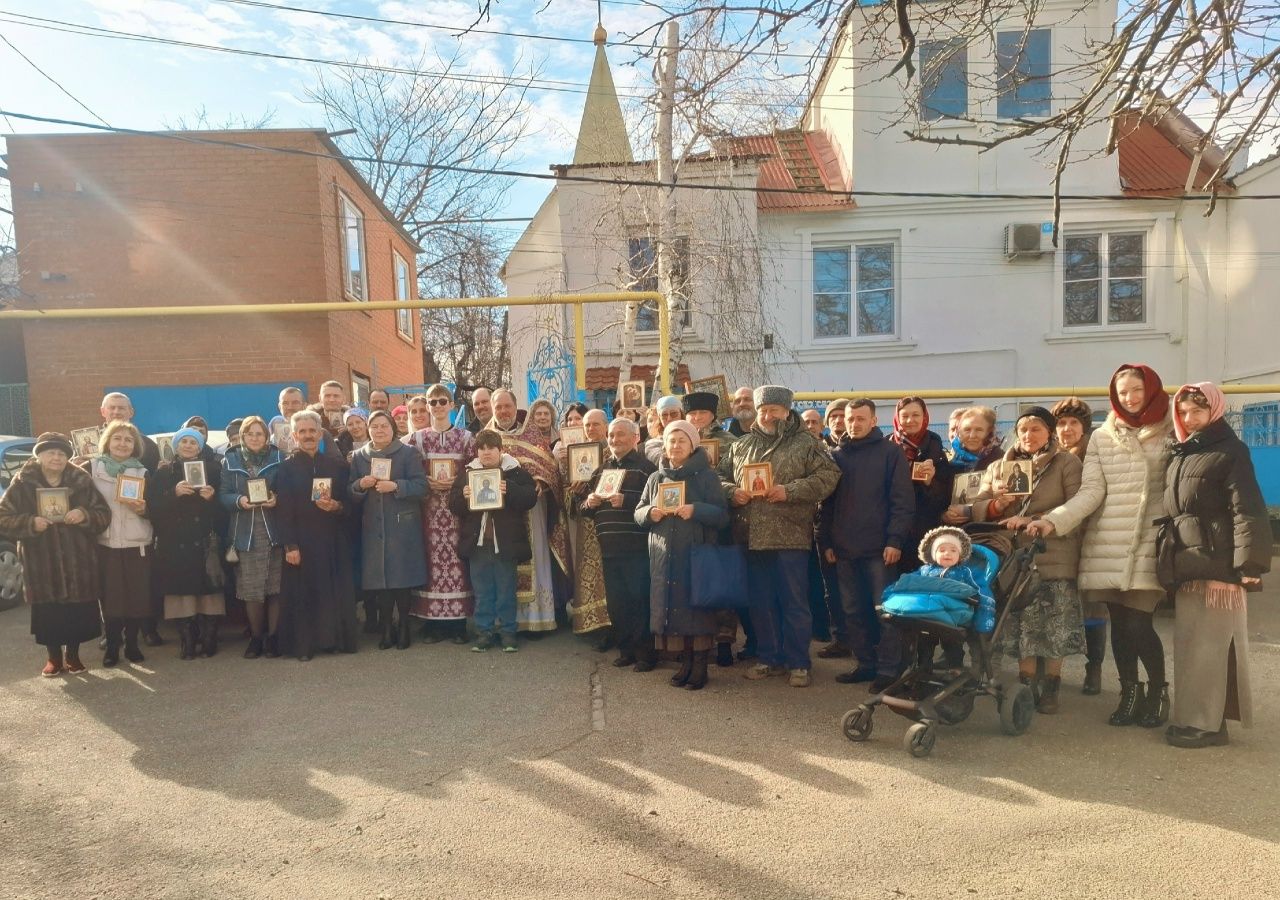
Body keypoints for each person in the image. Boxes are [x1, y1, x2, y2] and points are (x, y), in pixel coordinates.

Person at [1028, 364, 1174, 729]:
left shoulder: (1171, 429)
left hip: (1149, 541)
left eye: (1137, 390)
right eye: (1123, 392)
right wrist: (1055, 520)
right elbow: (1092, 491)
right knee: (1121, 626)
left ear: (1151, 390)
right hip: (1108, 542)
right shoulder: (1103, 436)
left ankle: (1158, 691)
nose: (1130, 397)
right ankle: (1129, 693)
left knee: (1140, 623)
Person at [1160, 383, 1270, 749]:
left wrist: (1249, 564)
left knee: (1210, 647)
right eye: (1183, 412)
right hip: (1189, 562)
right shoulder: (1182, 451)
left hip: (1219, 564)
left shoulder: (1230, 450)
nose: (1189, 418)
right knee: (1190, 646)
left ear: (1215, 410)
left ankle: (1205, 725)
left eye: (1197, 411)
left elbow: (1247, 509)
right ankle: (1200, 720)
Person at [966, 406, 1084, 714]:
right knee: (1023, 624)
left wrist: (1034, 519)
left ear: (1049, 432)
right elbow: (976, 507)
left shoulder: (1066, 463)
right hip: (1014, 559)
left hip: (1053, 554)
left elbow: (1077, 507)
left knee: (1054, 625)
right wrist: (997, 503)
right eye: (1023, 430)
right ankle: (1027, 684)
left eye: (1036, 429)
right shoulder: (1000, 466)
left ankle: (1052, 686)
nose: (1028, 435)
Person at [725, 386, 840, 689]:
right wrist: (732, 492)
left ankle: (799, 663)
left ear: (787, 412)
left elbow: (829, 476)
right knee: (761, 601)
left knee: (794, 602)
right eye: (763, 410)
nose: (767, 415)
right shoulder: (742, 445)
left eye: (774, 410)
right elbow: (720, 476)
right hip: (751, 535)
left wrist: (790, 491)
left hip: (790, 534)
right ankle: (769, 658)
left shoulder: (806, 443)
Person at [821, 398, 915, 692]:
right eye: (850, 419)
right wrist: (827, 541)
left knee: (885, 613)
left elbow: (902, 501)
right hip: (844, 549)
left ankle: (888, 670)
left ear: (874, 421)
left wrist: (895, 540)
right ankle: (865, 664)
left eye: (861, 419)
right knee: (852, 611)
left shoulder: (890, 453)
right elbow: (827, 505)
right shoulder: (836, 455)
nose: (854, 424)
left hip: (880, 550)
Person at [0, 433, 111, 677]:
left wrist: (84, 514)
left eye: (61, 453)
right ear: (39, 455)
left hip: (78, 560)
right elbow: (3, 517)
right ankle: (53, 658)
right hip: (41, 561)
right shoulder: (23, 482)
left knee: (76, 613)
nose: (57, 458)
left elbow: (103, 514)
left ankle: (73, 656)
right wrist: (30, 523)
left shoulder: (81, 480)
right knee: (48, 613)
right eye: (51, 452)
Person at [635, 420, 730, 691]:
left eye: (682, 441)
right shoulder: (655, 478)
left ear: (692, 445)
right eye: (671, 440)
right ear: (664, 445)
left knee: (696, 609)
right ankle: (685, 663)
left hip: (695, 555)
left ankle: (700, 666)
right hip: (664, 556)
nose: (676, 446)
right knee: (674, 610)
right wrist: (649, 513)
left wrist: (696, 509)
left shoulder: (707, 477)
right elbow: (638, 512)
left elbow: (722, 516)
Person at [275, 410, 358, 661]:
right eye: (302, 431)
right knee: (303, 595)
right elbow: (283, 510)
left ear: (321, 433)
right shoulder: (285, 469)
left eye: (312, 430)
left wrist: (337, 506)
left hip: (332, 540)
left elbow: (350, 503)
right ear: (294, 435)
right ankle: (305, 645)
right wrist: (290, 545)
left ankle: (332, 641)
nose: (308, 435)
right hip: (301, 542)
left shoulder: (337, 466)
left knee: (332, 592)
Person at [486, 389, 570, 633]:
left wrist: (542, 482)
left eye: (507, 406)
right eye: (498, 407)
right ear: (493, 409)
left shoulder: (531, 434)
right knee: (501, 564)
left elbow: (548, 465)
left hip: (531, 511)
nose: (503, 411)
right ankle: (505, 621)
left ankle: (536, 620)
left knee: (535, 559)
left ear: (515, 407)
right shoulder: (485, 437)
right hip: (498, 514)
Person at [450, 429, 538, 652]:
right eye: (482, 448)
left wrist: (510, 489)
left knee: (506, 591)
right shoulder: (468, 473)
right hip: (478, 544)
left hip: (505, 544)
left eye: (491, 448)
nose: (486, 452)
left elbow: (530, 498)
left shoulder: (515, 473)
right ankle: (484, 633)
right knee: (482, 592)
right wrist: (464, 496)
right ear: (477, 451)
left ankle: (508, 633)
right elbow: (454, 505)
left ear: (501, 450)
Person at [582, 416, 657, 670]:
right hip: (609, 549)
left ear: (635, 437)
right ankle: (626, 651)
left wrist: (626, 501)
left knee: (639, 600)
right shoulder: (601, 471)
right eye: (611, 435)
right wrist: (589, 502)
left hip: (636, 547)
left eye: (621, 434)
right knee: (617, 602)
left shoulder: (647, 469)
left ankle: (645, 654)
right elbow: (583, 509)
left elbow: (656, 504)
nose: (615, 440)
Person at [350, 410, 428, 650]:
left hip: (401, 526)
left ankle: (403, 626)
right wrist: (359, 485)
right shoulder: (359, 457)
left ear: (393, 428)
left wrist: (396, 485)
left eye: (384, 426)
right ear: (368, 429)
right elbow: (349, 491)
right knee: (381, 582)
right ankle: (386, 628)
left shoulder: (408, 453)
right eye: (374, 426)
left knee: (401, 580)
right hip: (373, 528)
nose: (379, 430)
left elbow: (421, 486)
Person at [405, 384, 476, 643]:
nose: (437, 406)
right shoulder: (417, 439)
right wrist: (426, 481)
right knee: (431, 564)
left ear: (451, 405)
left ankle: (458, 625)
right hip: (429, 513)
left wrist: (458, 482)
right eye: (432, 402)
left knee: (458, 564)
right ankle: (432, 625)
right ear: (427, 406)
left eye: (442, 401)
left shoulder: (466, 438)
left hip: (457, 513)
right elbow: (409, 471)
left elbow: (475, 469)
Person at [149, 427, 226, 660]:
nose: (189, 446)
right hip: (176, 542)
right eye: (184, 442)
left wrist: (211, 498)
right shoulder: (164, 473)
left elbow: (223, 510)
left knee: (209, 592)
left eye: (194, 442)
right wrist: (173, 494)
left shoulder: (213, 470)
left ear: (200, 447)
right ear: (176, 446)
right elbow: (152, 508)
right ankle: (188, 640)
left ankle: (209, 639)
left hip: (204, 541)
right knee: (181, 593)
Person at [87, 420, 154, 667]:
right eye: (117, 438)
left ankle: (133, 645)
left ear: (135, 445)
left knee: (136, 598)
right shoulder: (92, 469)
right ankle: (113, 646)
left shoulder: (143, 472)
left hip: (137, 543)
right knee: (111, 599)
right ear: (107, 441)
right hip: (106, 543)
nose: (122, 444)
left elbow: (156, 508)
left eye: (128, 440)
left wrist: (145, 509)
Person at [1050, 396, 1105, 694]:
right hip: (1057, 540)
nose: (1067, 429)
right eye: (1061, 423)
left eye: (1074, 423)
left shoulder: (1095, 455)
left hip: (1088, 538)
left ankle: (1094, 667)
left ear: (1084, 428)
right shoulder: (1049, 454)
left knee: (1092, 606)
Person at [220, 416, 286, 659]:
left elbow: (288, 490)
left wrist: (277, 499)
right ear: (242, 437)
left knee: (275, 588)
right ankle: (256, 637)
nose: (255, 438)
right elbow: (223, 494)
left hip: (274, 530)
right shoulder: (230, 460)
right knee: (251, 589)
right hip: (246, 532)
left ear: (266, 437)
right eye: (250, 434)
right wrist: (239, 500)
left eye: (260, 434)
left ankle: (274, 637)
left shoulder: (279, 457)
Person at [566, 408, 611, 646]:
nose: (591, 429)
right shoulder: (577, 453)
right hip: (587, 524)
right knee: (591, 573)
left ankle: (613, 624)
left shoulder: (612, 451)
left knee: (610, 574)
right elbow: (569, 494)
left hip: (610, 521)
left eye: (596, 424)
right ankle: (595, 625)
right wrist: (575, 489)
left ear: (606, 426)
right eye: (587, 425)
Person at [941, 406, 1004, 525]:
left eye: (979, 430)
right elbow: (939, 499)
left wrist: (971, 512)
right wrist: (944, 515)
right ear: (959, 432)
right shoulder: (950, 462)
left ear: (989, 432)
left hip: (988, 528)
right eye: (967, 429)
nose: (972, 435)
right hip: (953, 529)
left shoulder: (1001, 461)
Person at [644, 396, 686, 465]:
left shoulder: (692, 437)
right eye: (664, 415)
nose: (669, 418)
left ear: (681, 414)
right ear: (660, 419)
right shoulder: (653, 444)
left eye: (674, 414)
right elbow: (661, 461)